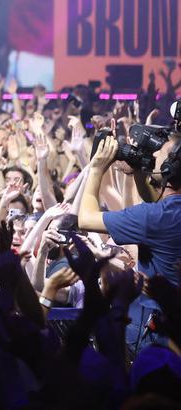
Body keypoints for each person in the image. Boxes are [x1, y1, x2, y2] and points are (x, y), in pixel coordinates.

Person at [78, 134, 181, 353]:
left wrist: (96, 169)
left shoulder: (157, 217)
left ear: (170, 169)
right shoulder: (165, 214)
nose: (152, 155)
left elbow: (86, 218)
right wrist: (138, 171)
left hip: (161, 333)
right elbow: (156, 201)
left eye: (158, 154)